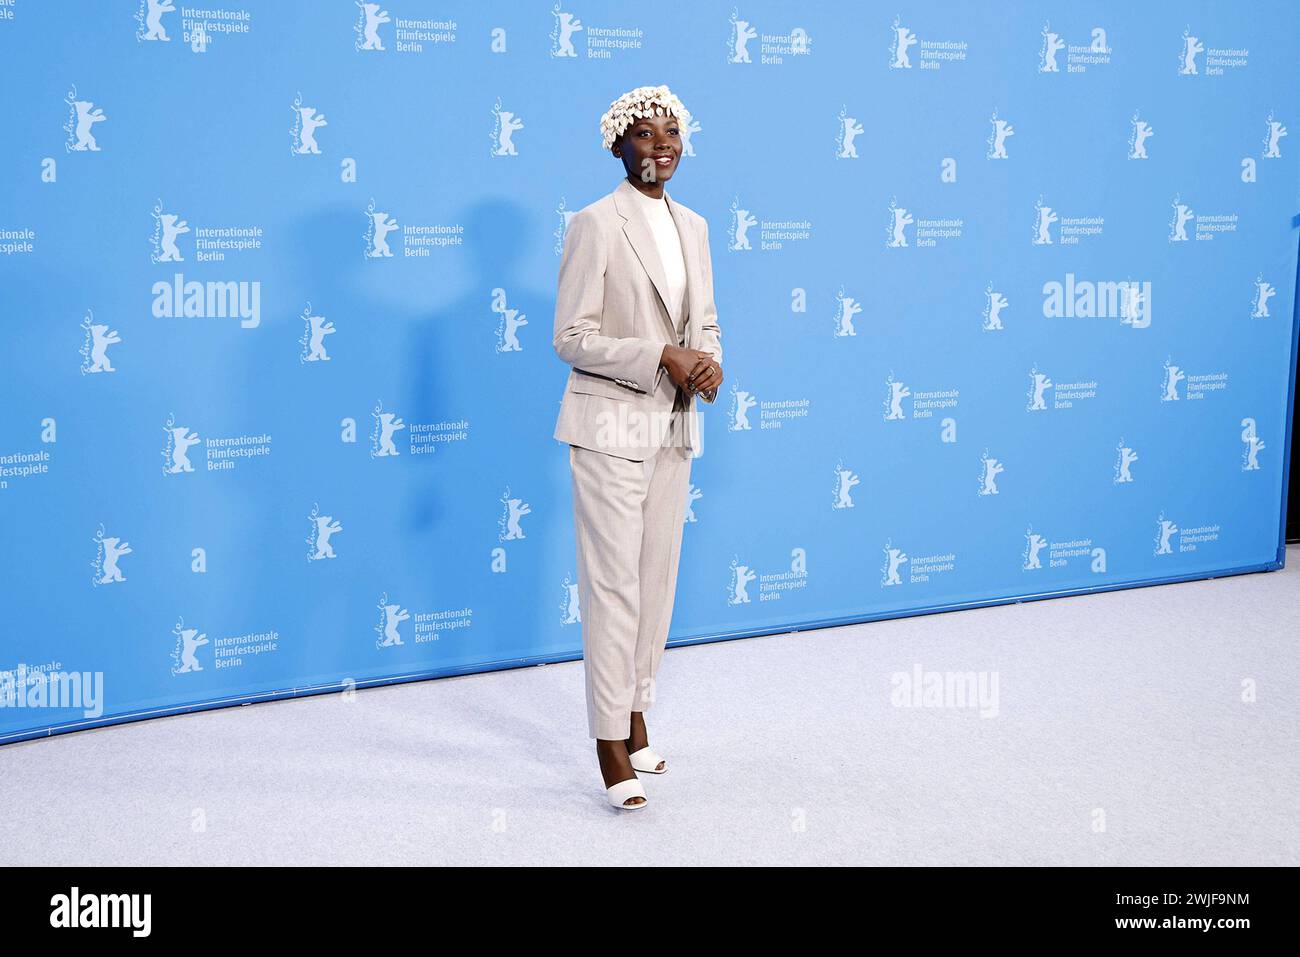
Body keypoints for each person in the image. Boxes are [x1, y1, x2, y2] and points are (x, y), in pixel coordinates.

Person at [551, 84, 724, 809]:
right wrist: (660, 353)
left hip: (673, 428)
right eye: (646, 135)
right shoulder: (595, 223)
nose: (662, 146)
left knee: (655, 584)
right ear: (618, 146)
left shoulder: (696, 227)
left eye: (672, 134)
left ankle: (636, 709)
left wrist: (708, 358)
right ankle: (606, 740)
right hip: (608, 428)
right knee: (613, 586)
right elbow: (572, 338)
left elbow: (706, 319)